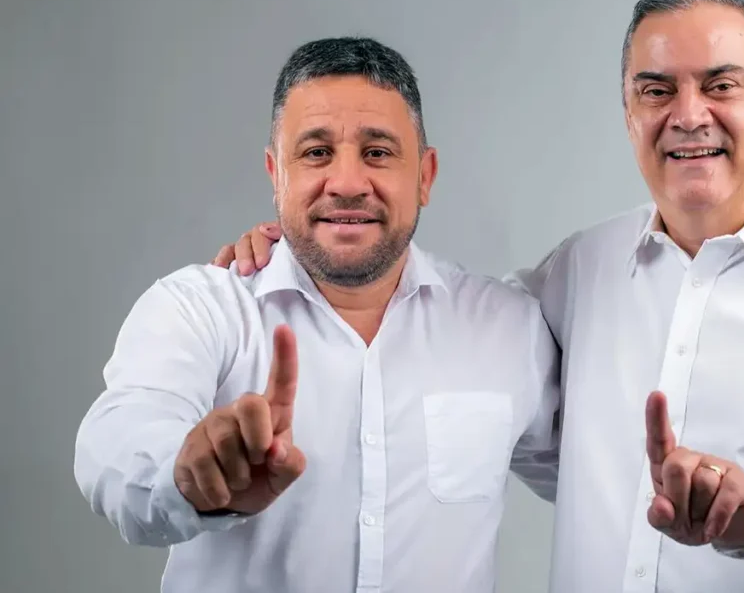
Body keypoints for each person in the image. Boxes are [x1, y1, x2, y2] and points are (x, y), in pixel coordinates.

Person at [217, 0, 744, 593]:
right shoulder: (581, 270)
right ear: (629, 114)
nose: (687, 114)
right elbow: (434, 327)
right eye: (656, 90)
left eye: (721, 85)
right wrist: (304, 251)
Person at [73, 36, 560, 593]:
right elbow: (115, 441)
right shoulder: (201, 308)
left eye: (378, 152)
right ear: (276, 173)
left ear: (424, 176)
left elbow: (600, 479)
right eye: (316, 153)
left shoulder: (508, 328)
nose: (347, 184)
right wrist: (187, 475)